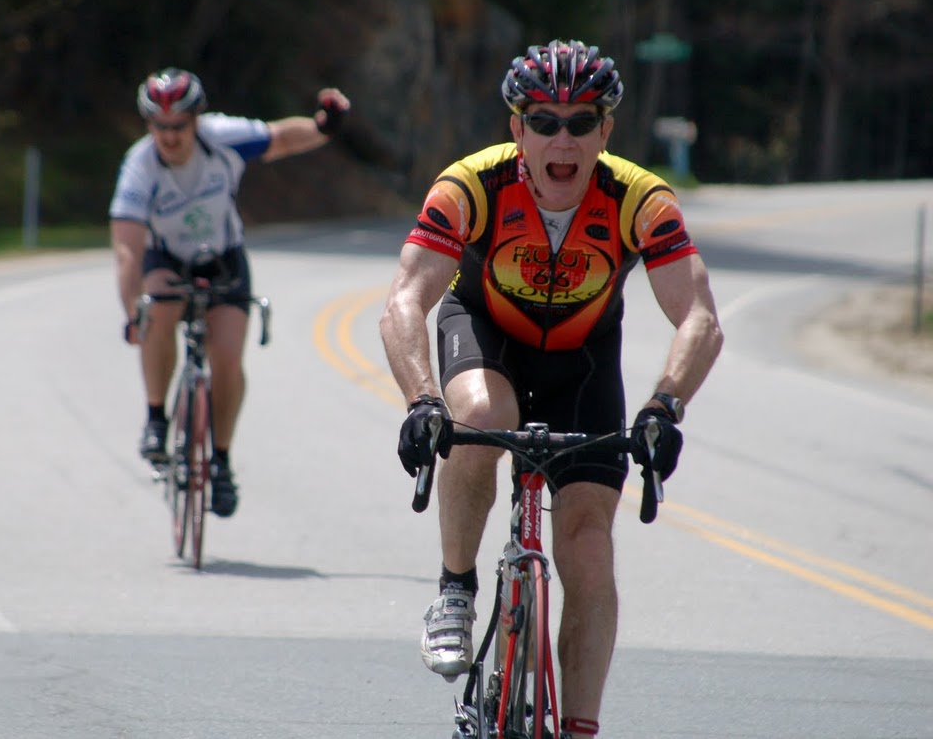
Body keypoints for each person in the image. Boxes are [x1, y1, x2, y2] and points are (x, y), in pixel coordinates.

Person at [380, 40, 723, 737]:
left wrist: (665, 405)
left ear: (606, 130)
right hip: (488, 333)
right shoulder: (471, 186)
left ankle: (579, 729)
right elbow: (404, 304)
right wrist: (421, 400)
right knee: (480, 416)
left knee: (589, 548)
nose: (562, 140)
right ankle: (456, 589)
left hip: (582, 361)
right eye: (543, 121)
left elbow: (699, 318)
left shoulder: (639, 200)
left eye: (580, 122)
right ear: (517, 128)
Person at [110, 67, 350, 518]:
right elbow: (128, 249)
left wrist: (323, 128)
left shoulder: (223, 138)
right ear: (148, 125)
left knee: (226, 357)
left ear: (196, 120)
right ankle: (156, 417)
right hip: (167, 258)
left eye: (179, 126)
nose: (170, 136)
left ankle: (220, 462)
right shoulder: (139, 166)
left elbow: (280, 138)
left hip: (223, 256)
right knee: (157, 311)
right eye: (160, 127)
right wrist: (131, 313)